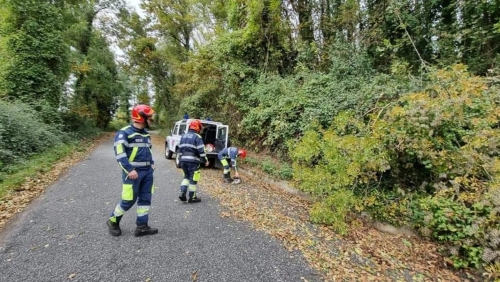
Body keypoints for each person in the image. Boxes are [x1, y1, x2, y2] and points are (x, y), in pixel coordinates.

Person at [106, 104, 158, 237]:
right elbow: (120, 154)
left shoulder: (146, 134)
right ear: (141, 118)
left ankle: (142, 226)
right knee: (128, 200)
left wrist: (151, 163)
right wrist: (129, 170)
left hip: (147, 173)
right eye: (149, 117)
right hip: (133, 173)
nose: (151, 119)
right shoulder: (124, 133)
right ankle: (113, 221)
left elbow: (148, 151)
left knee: (145, 199)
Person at [178, 119, 209, 203]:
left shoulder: (183, 136)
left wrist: (181, 160)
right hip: (193, 161)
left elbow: (180, 149)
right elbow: (201, 150)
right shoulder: (197, 137)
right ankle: (192, 197)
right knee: (193, 179)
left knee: (186, 177)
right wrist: (205, 160)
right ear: (197, 127)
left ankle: (182, 193)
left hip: (183, 160)